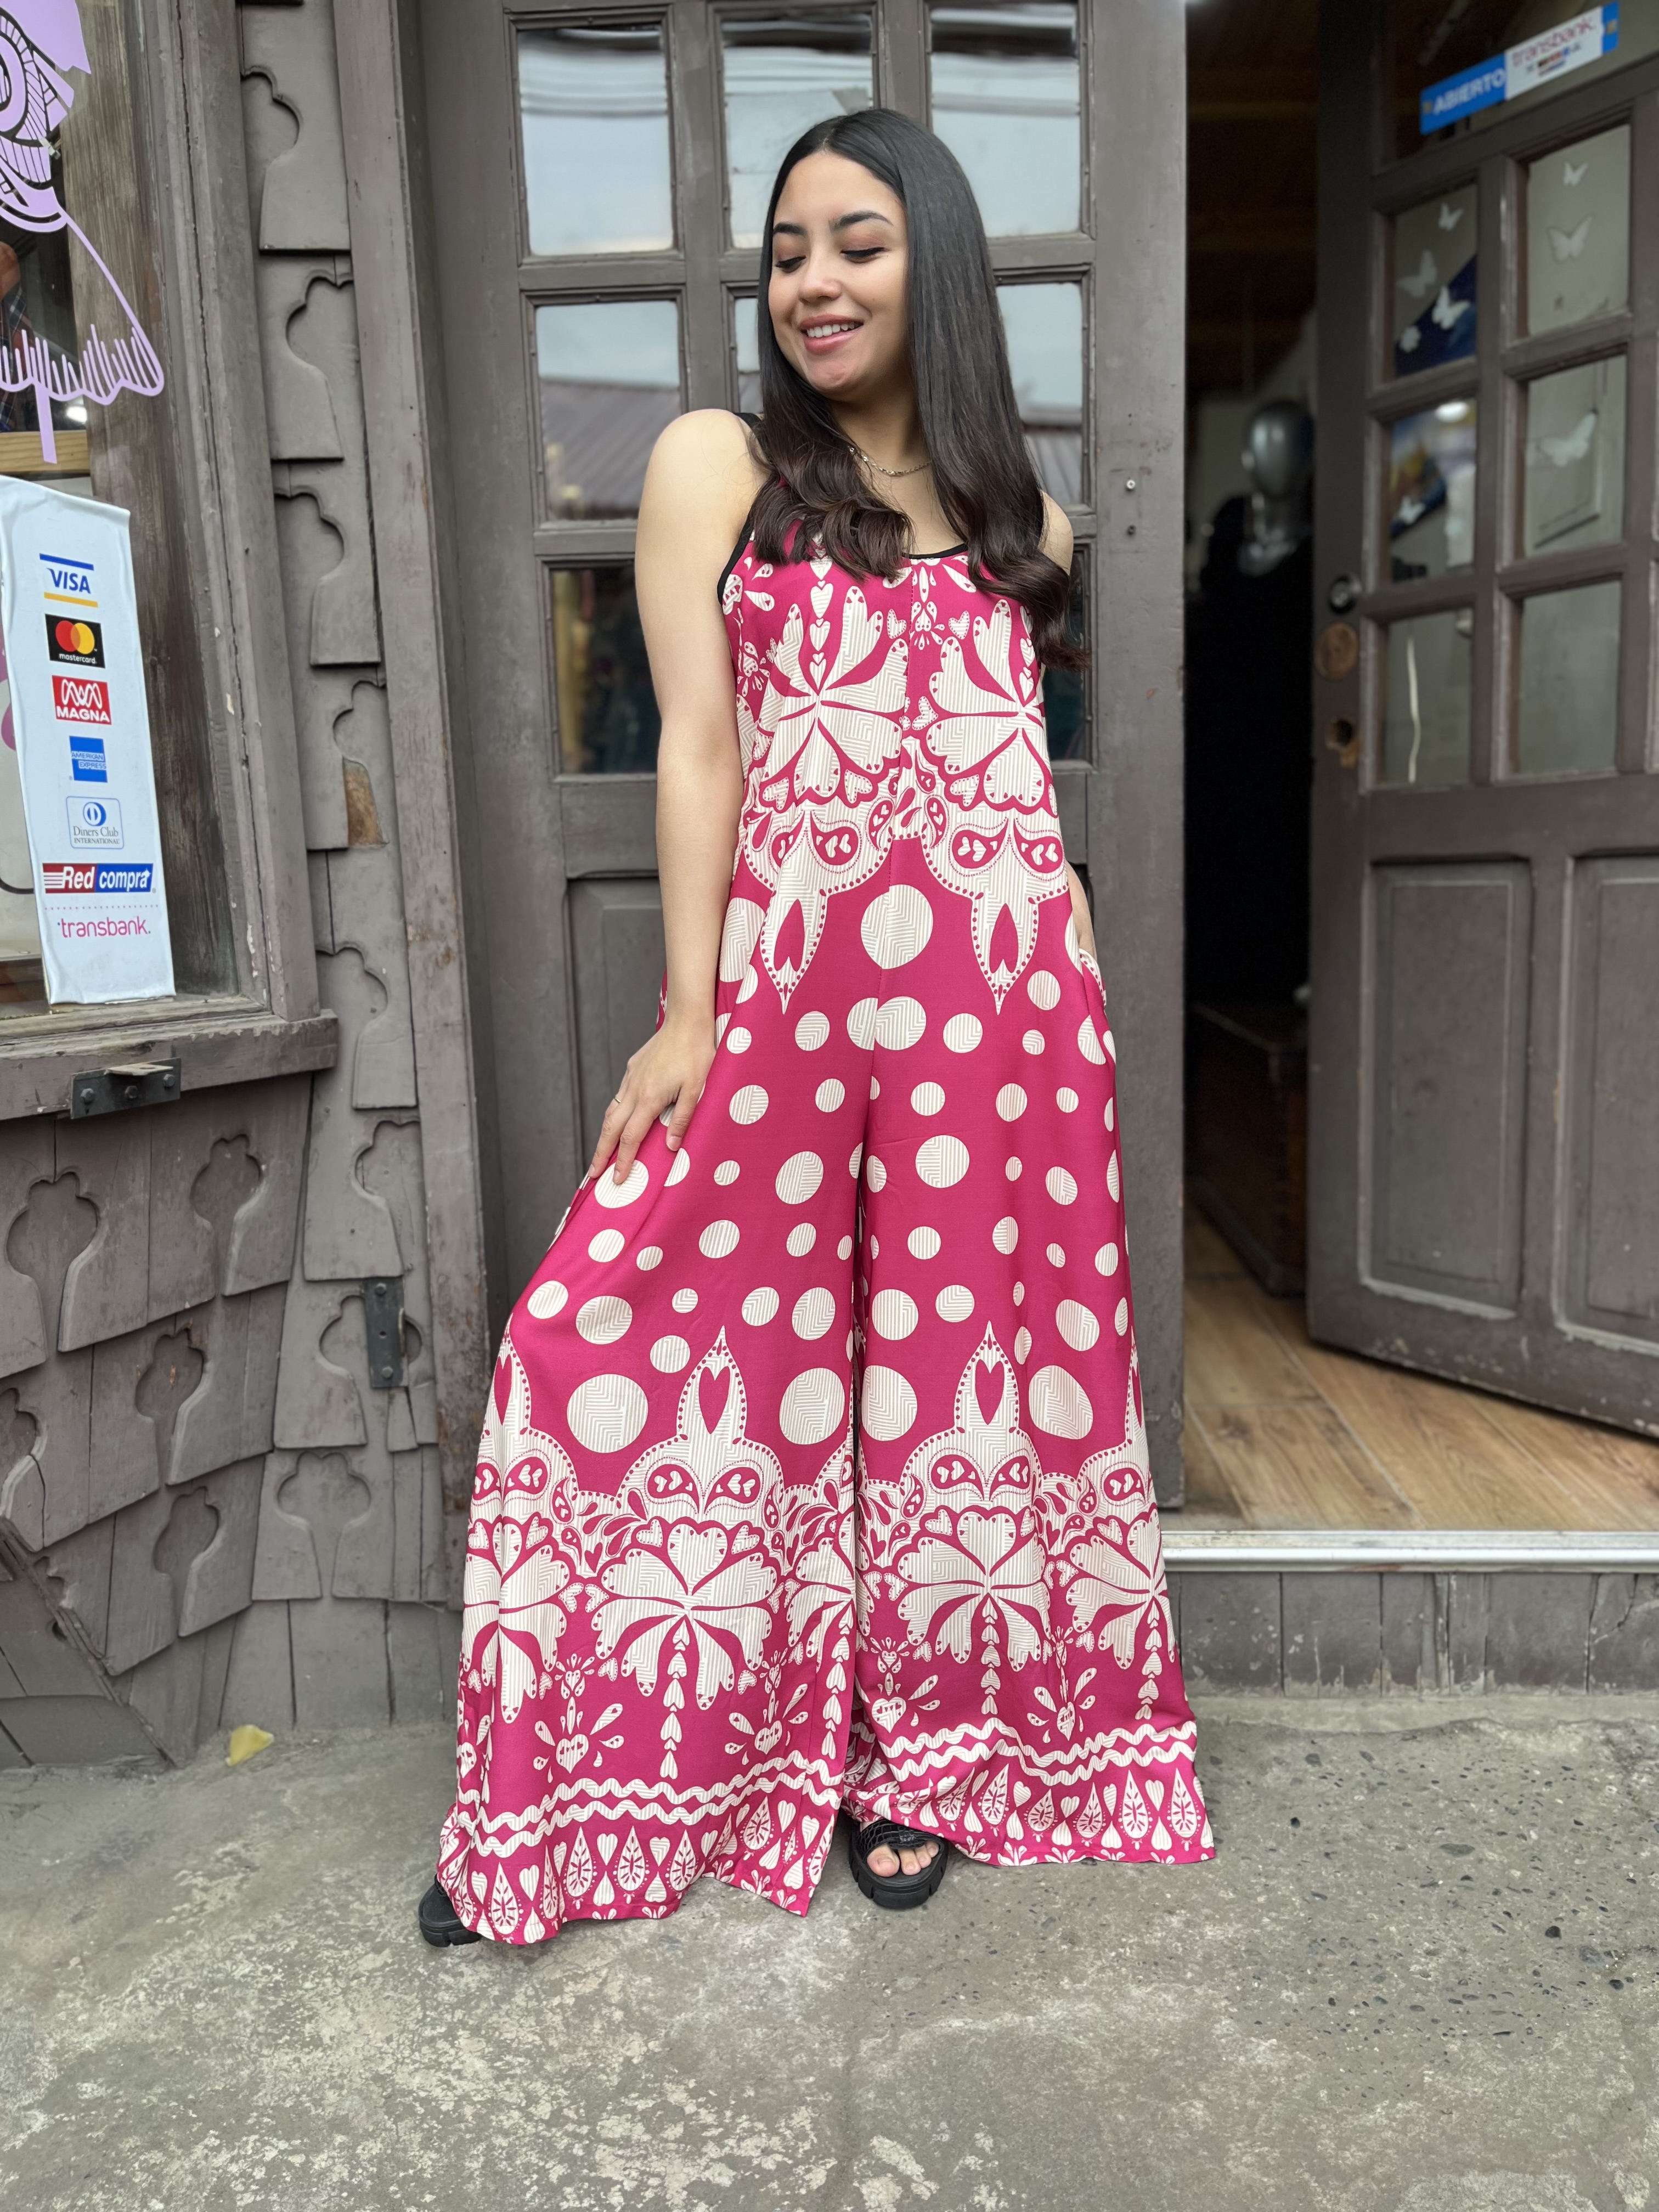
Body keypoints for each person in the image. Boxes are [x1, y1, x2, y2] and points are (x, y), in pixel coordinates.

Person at [419, 107, 1210, 1947]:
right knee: (611, 1340)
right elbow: (699, 749)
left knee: (960, 1388)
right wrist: (691, 1012)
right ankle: (586, 1793)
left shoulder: (1025, 521)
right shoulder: (723, 464)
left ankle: (930, 1759)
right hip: (785, 1005)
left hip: (1002, 1020)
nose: (814, 284)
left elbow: (1018, 791)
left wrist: (1081, 1010)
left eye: (857, 244)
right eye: (787, 253)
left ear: (939, 262)